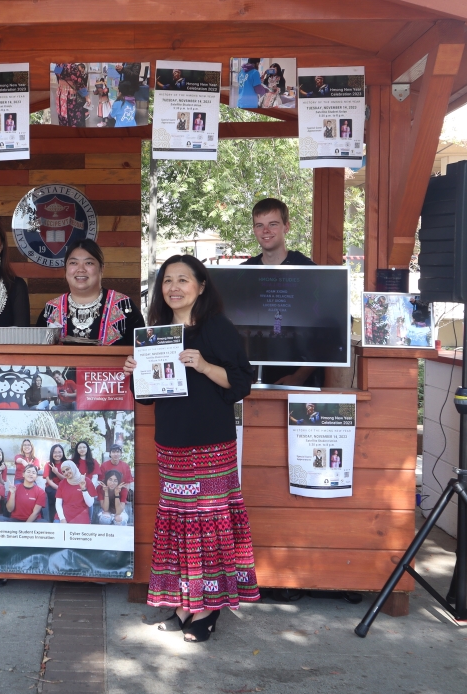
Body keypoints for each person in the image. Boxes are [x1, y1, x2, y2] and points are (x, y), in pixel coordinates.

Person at [122, 254, 257, 642]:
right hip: (172, 442)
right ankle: (187, 599)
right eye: (167, 281)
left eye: (183, 279)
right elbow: (146, 398)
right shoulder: (156, 333)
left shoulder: (217, 329)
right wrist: (135, 373)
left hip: (211, 444)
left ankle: (209, 605)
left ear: (200, 286)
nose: (174, 287)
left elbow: (241, 382)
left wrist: (202, 365)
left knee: (208, 523)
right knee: (182, 524)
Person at [241, 198, 322, 387]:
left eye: (273, 224)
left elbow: (331, 326)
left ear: (286, 227)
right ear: (254, 230)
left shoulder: (309, 271)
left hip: (300, 380)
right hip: (250, 379)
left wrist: (299, 376)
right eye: (259, 225)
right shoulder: (243, 273)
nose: (266, 231)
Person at [37, 240, 143, 345]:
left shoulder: (123, 306)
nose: (81, 269)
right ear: (65, 270)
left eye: (89, 263)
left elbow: (141, 351)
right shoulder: (51, 310)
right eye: (73, 263)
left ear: (101, 269)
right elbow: (37, 355)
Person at [44, 443, 67, 521]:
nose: (57, 454)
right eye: (55, 452)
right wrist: (60, 489)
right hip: (52, 488)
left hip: (65, 487)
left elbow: (68, 479)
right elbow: (49, 481)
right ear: (52, 454)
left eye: (59, 452)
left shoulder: (67, 463)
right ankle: (54, 520)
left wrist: (57, 473)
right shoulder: (48, 465)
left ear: (63, 453)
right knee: (55, 495)